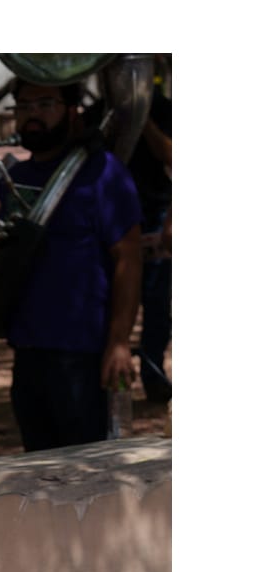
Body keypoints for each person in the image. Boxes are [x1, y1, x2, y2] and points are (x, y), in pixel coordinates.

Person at [0, 79, 142, 451]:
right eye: (24, 106)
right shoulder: (11, 180)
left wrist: (118, 342)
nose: (32, 114)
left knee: (89, 469)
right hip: (26, 355)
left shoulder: (103, 173)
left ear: (71, 111)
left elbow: (128, 258)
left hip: (84, 356)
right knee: (43, 470)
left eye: (45, 104)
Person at [129, 72, 172, 402]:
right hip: (115, 217)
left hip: (156, 215)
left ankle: (153, 374)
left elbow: (170, 156)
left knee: (157, 305)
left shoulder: (163, 108)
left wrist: (140, 119)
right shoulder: (99, 113)